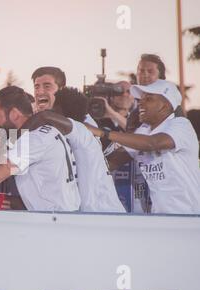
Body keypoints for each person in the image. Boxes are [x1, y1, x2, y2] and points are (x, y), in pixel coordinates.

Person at [86, 80, 200, 214]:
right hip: (161, 216)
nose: (140, 102)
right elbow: (110, 162)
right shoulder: (144, 130)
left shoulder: (181, 125)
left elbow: (152, 143)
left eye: (149, 99)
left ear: (166, 105)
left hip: (190, 215)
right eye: (141, 98)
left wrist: (103, 133)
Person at [21, 87, 126, 213]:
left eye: (54, 109)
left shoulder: (80, 129)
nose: (51, 112)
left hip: (102, 211)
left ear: (60, 110)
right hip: (99, 212)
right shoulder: (76, 132)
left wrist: (13, 137)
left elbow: (45, 116)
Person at [0, 86, 81, 212]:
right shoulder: (45, 131)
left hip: (54, 221)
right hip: (61, 217)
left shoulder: (32, 139)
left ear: (14, 114)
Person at [32, 66, 98, 127]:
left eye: (47, 86)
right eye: (36, 87)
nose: (40, 92)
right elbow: (24, 139)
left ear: (61, 88)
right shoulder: (28, 118)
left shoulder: (82, 119)